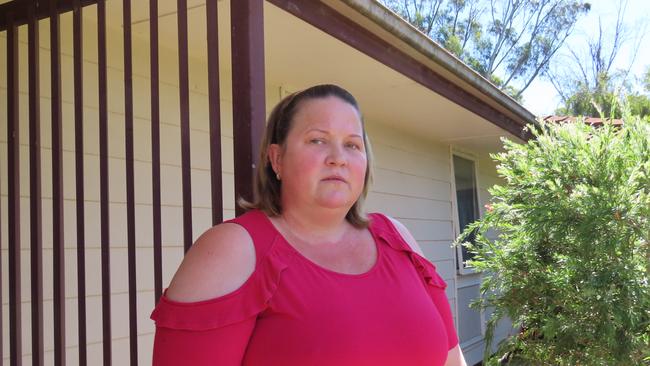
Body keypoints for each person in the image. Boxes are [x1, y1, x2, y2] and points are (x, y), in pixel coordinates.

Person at [150, 84, 467, 366]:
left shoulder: (398, 238)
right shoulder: (232, 250)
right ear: (277, 159)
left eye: (352, 145)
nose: (338, 158)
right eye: (317, 140)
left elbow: (452, 358)